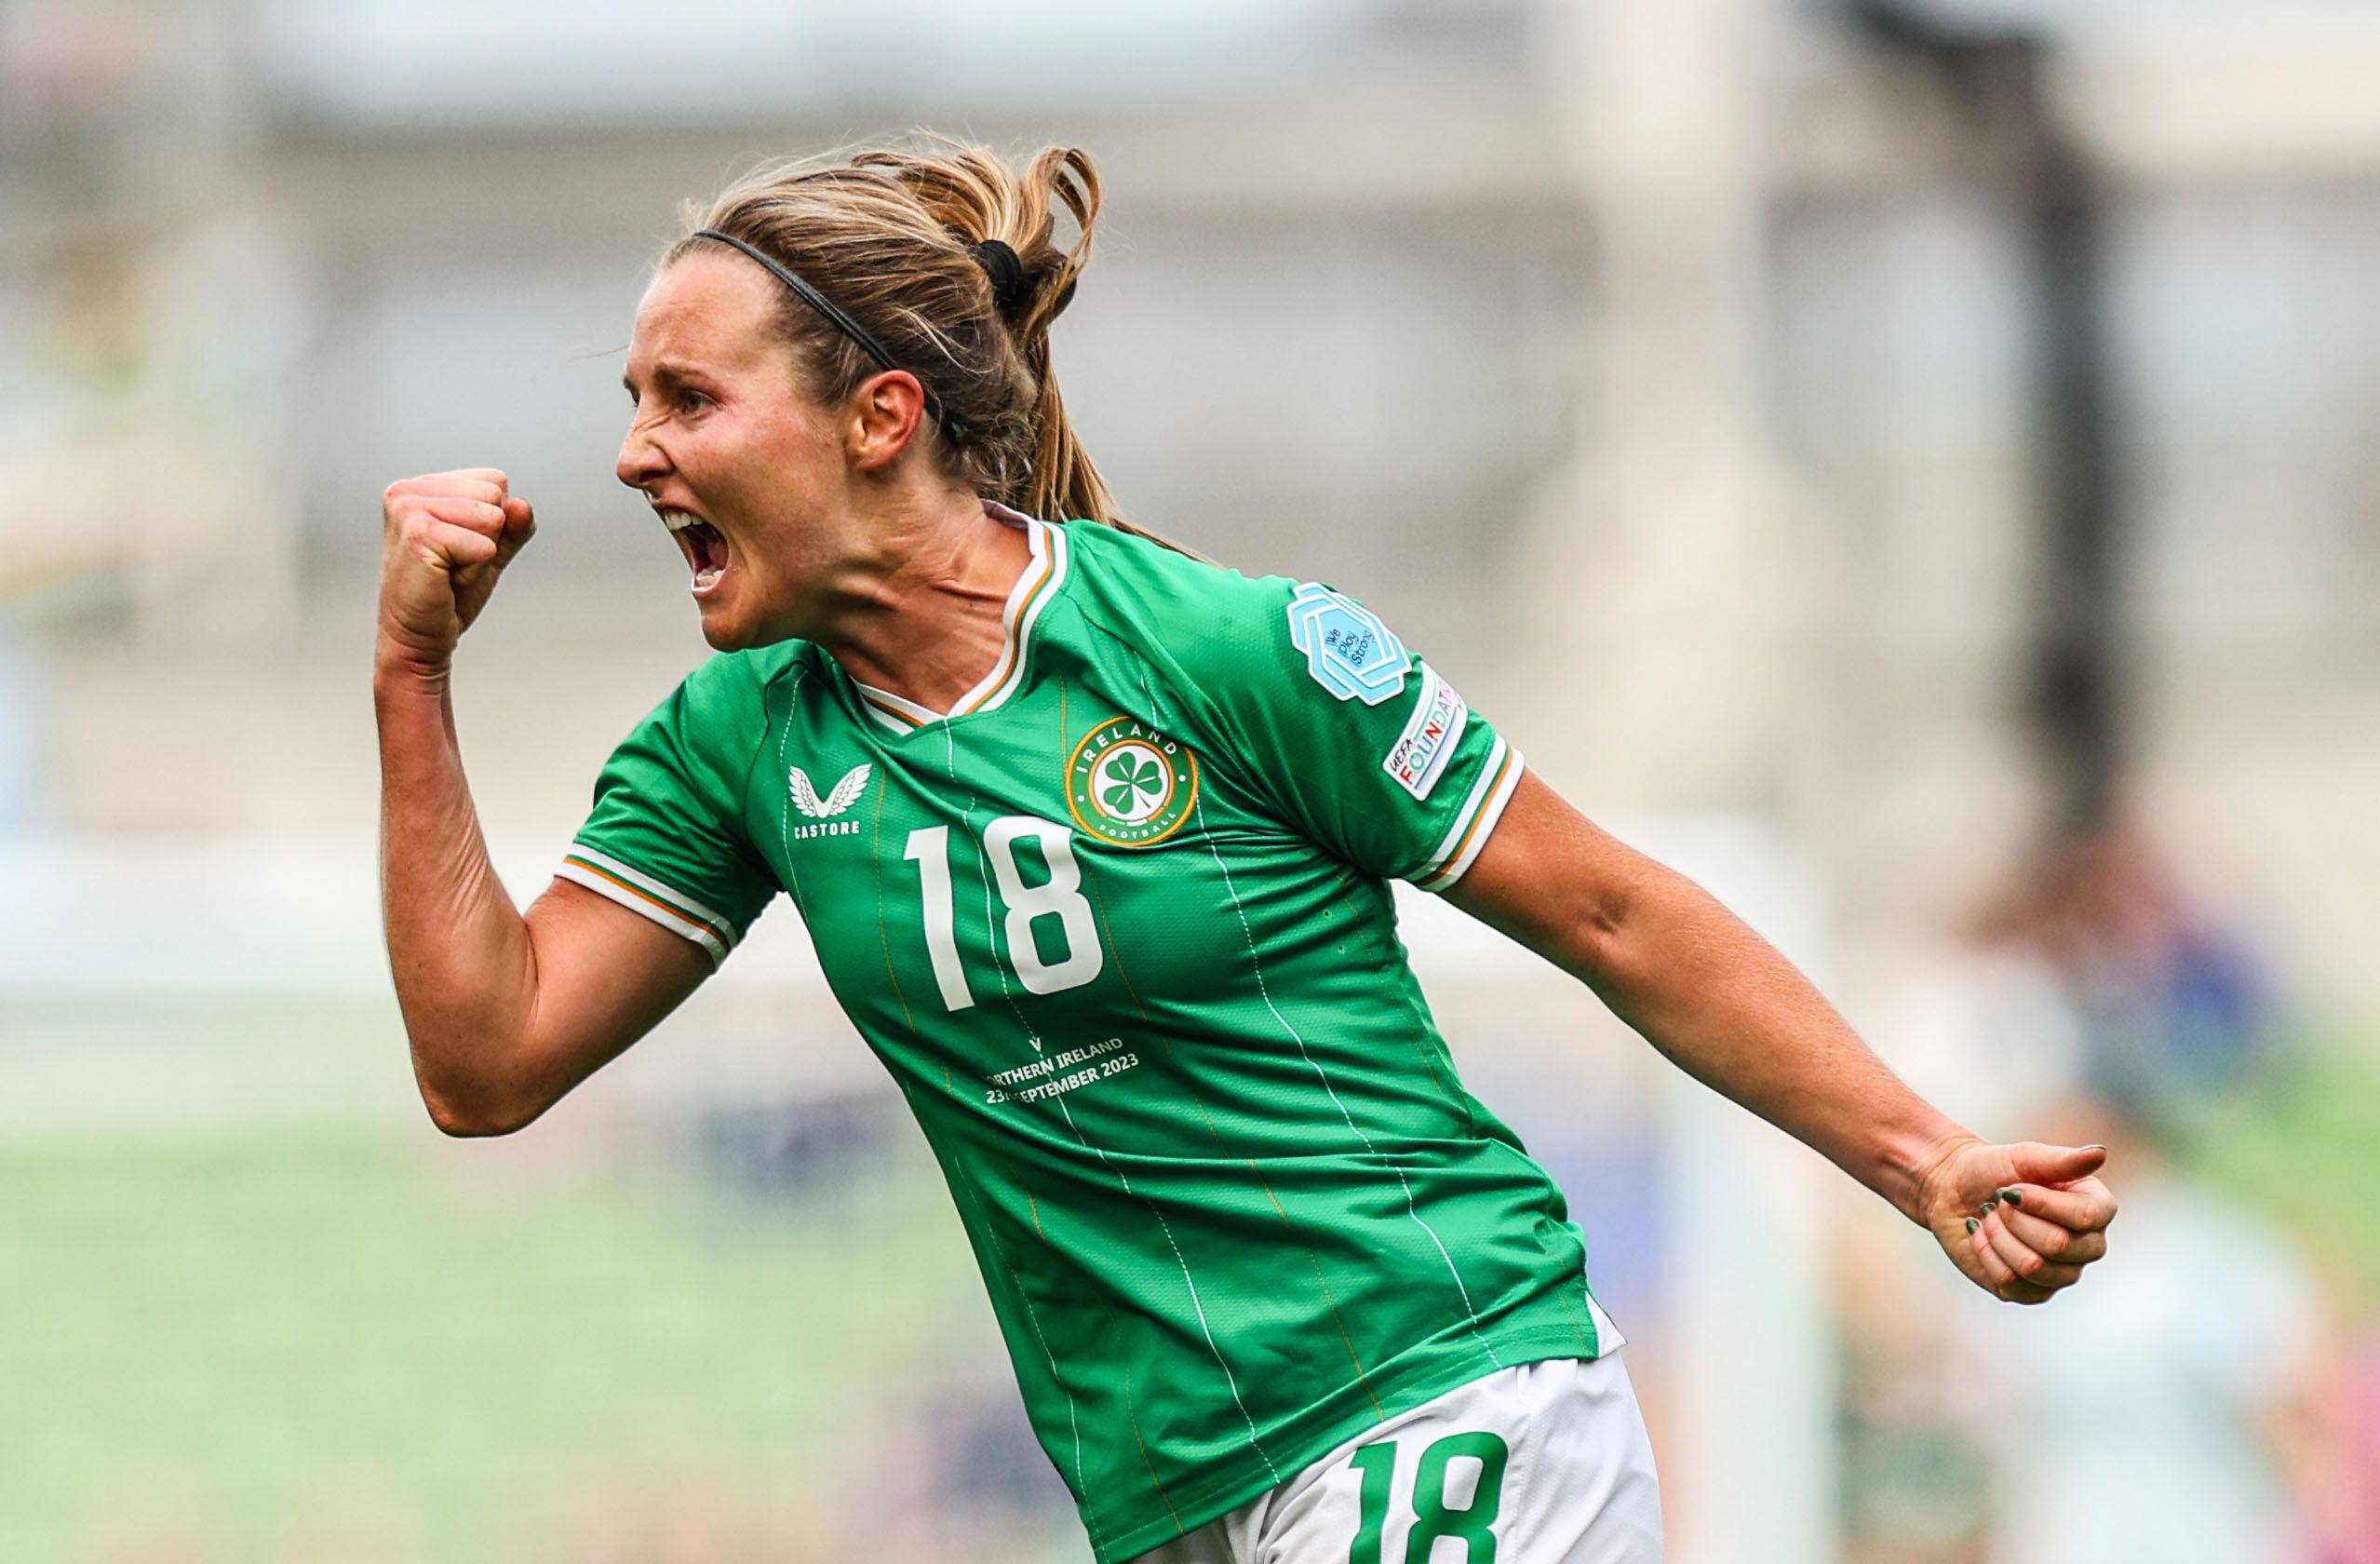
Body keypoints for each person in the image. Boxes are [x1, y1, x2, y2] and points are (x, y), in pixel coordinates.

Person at [373, 138, 2118, 1564]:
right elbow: (490, 1060)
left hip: (1435, 1392)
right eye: (633, 400)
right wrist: (412, 674)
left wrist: (1924, 1161)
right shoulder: (741, 741)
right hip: (1171, 1492)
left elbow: (1605, 907)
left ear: (879, 417)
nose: (632, 454)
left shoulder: (1222, 650)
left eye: (686, 396)